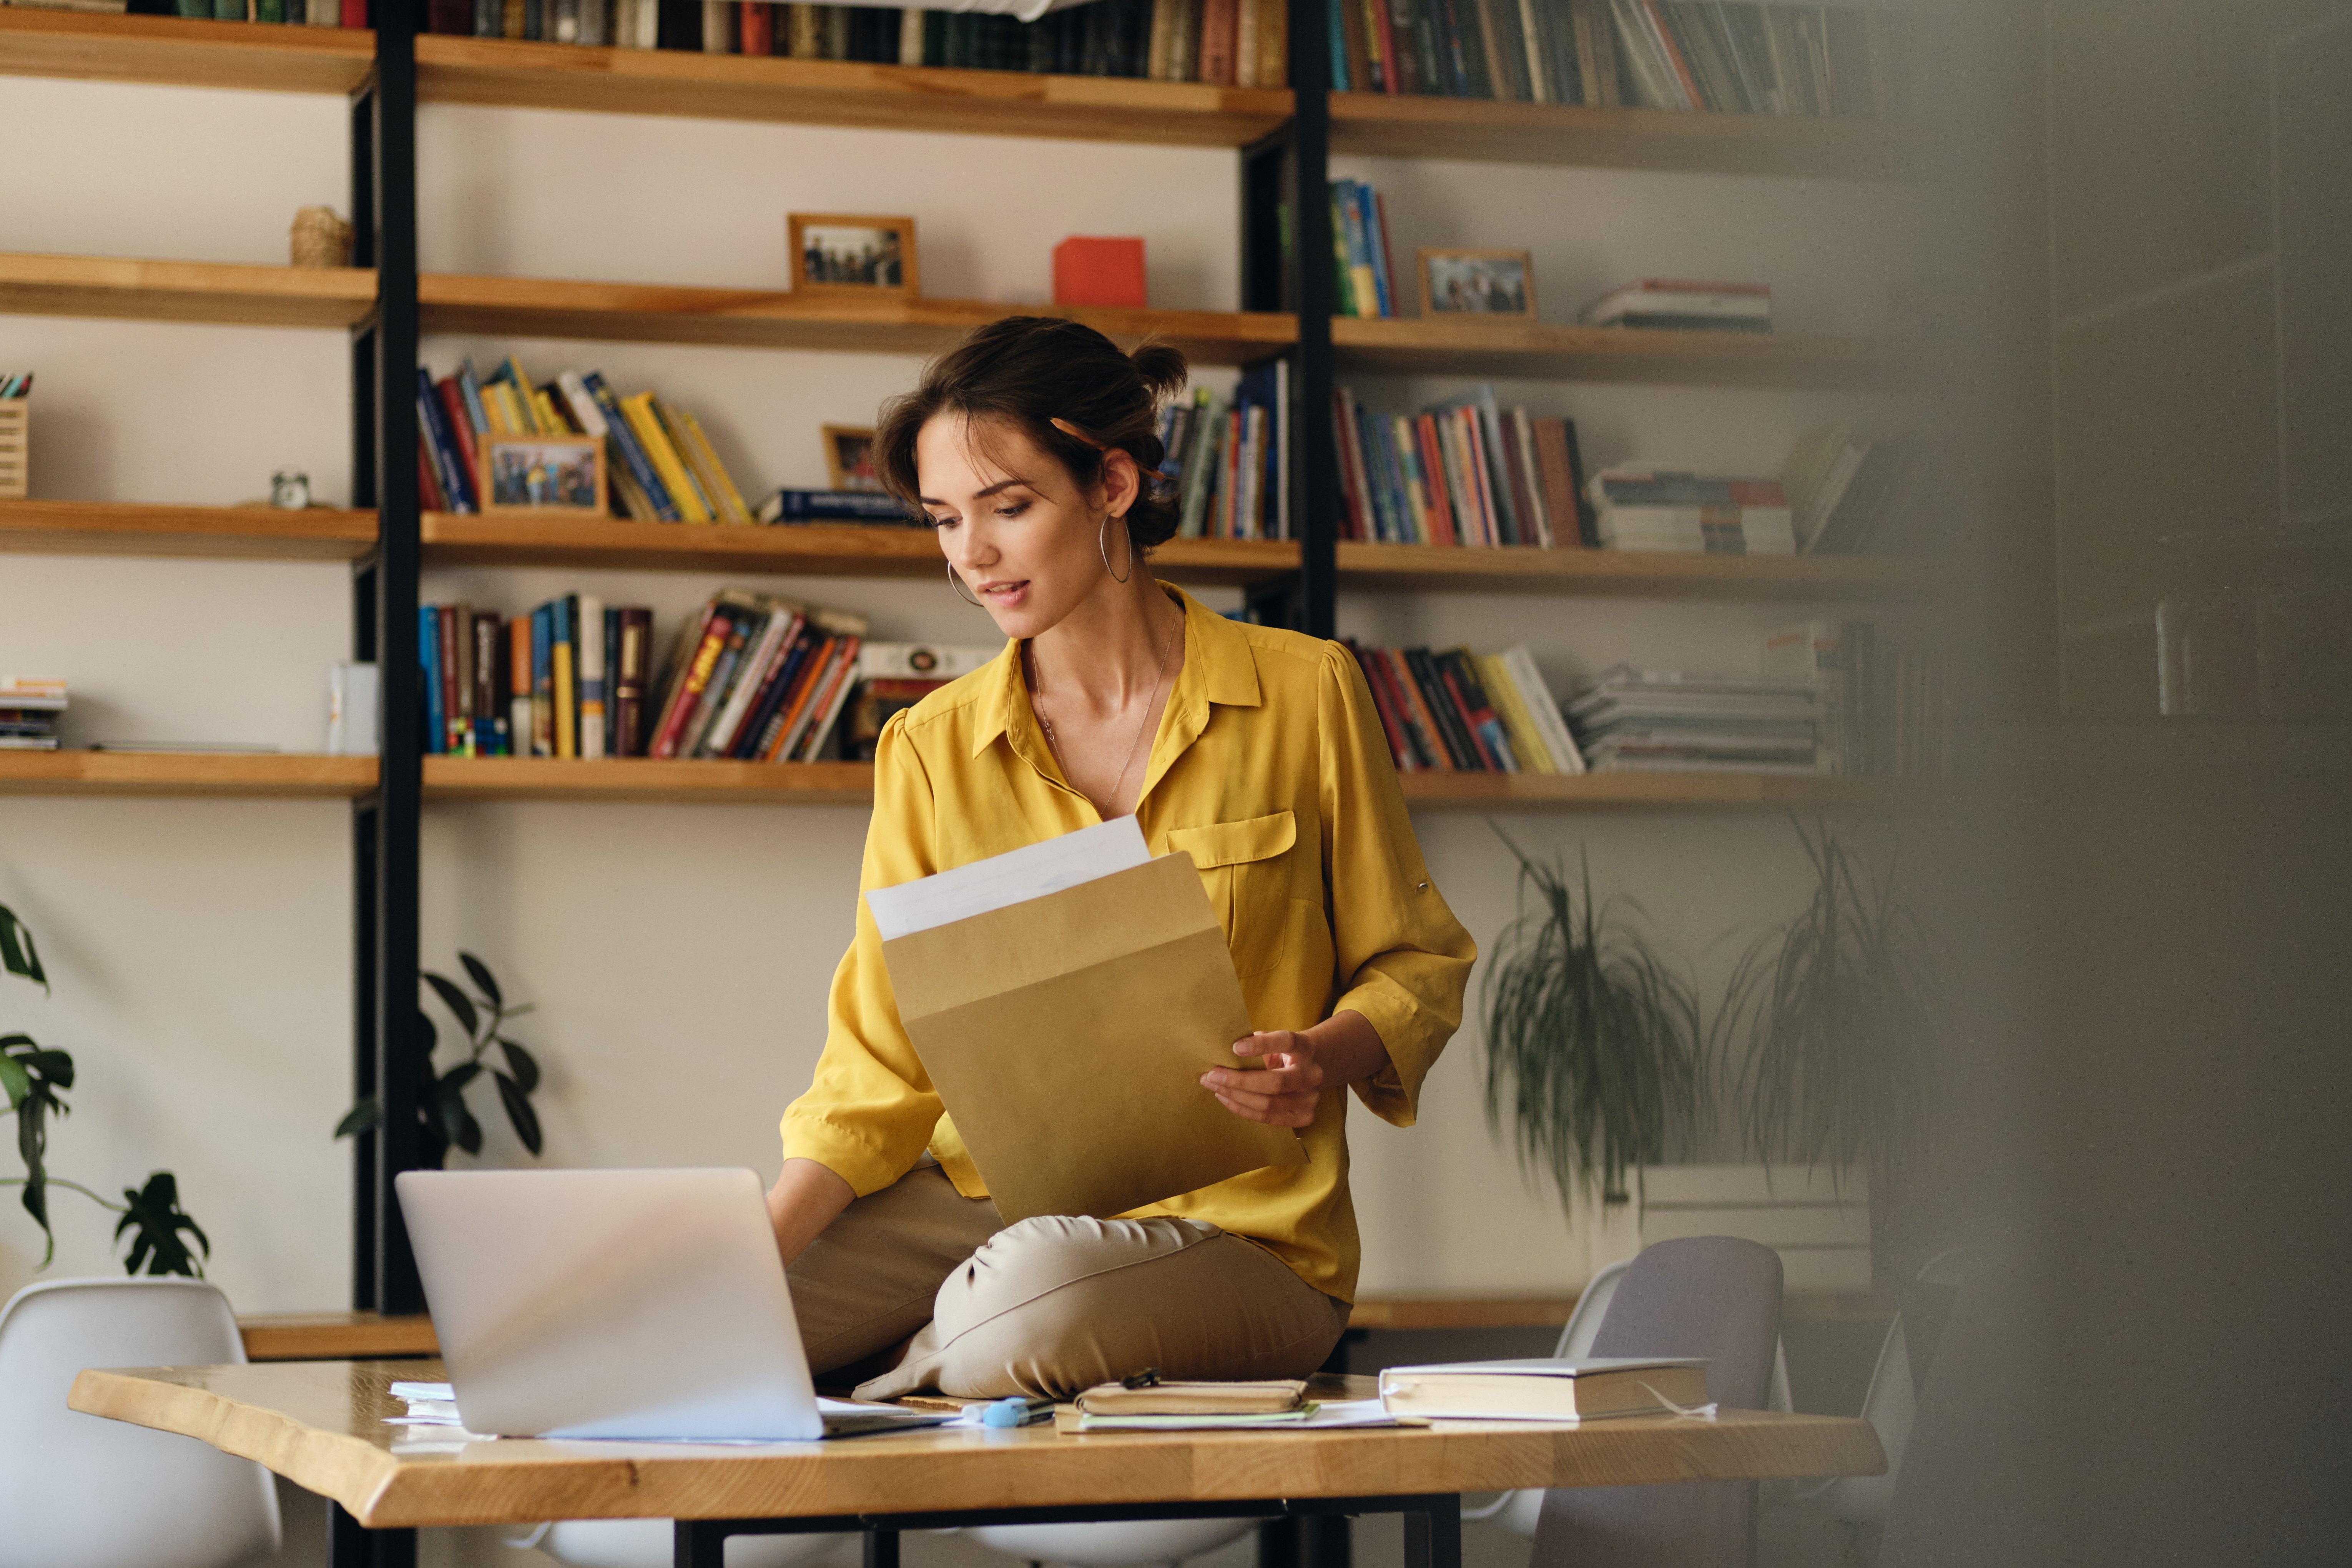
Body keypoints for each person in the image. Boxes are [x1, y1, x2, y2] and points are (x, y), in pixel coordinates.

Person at [768, 316, 1476, 1402]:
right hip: (985, 1209)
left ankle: (885, 1394)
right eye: (947, 520)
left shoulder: (1307, 692)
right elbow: (879, 1061)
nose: (973, 555)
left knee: (1027, 1298)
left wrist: (1320, 1058)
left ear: (1113, 483)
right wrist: (754, 1257)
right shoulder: (928, 747)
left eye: (1009, 508)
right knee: (700, 1308)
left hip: (1244, 1234)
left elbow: (1416, 964)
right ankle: (904, 1368)